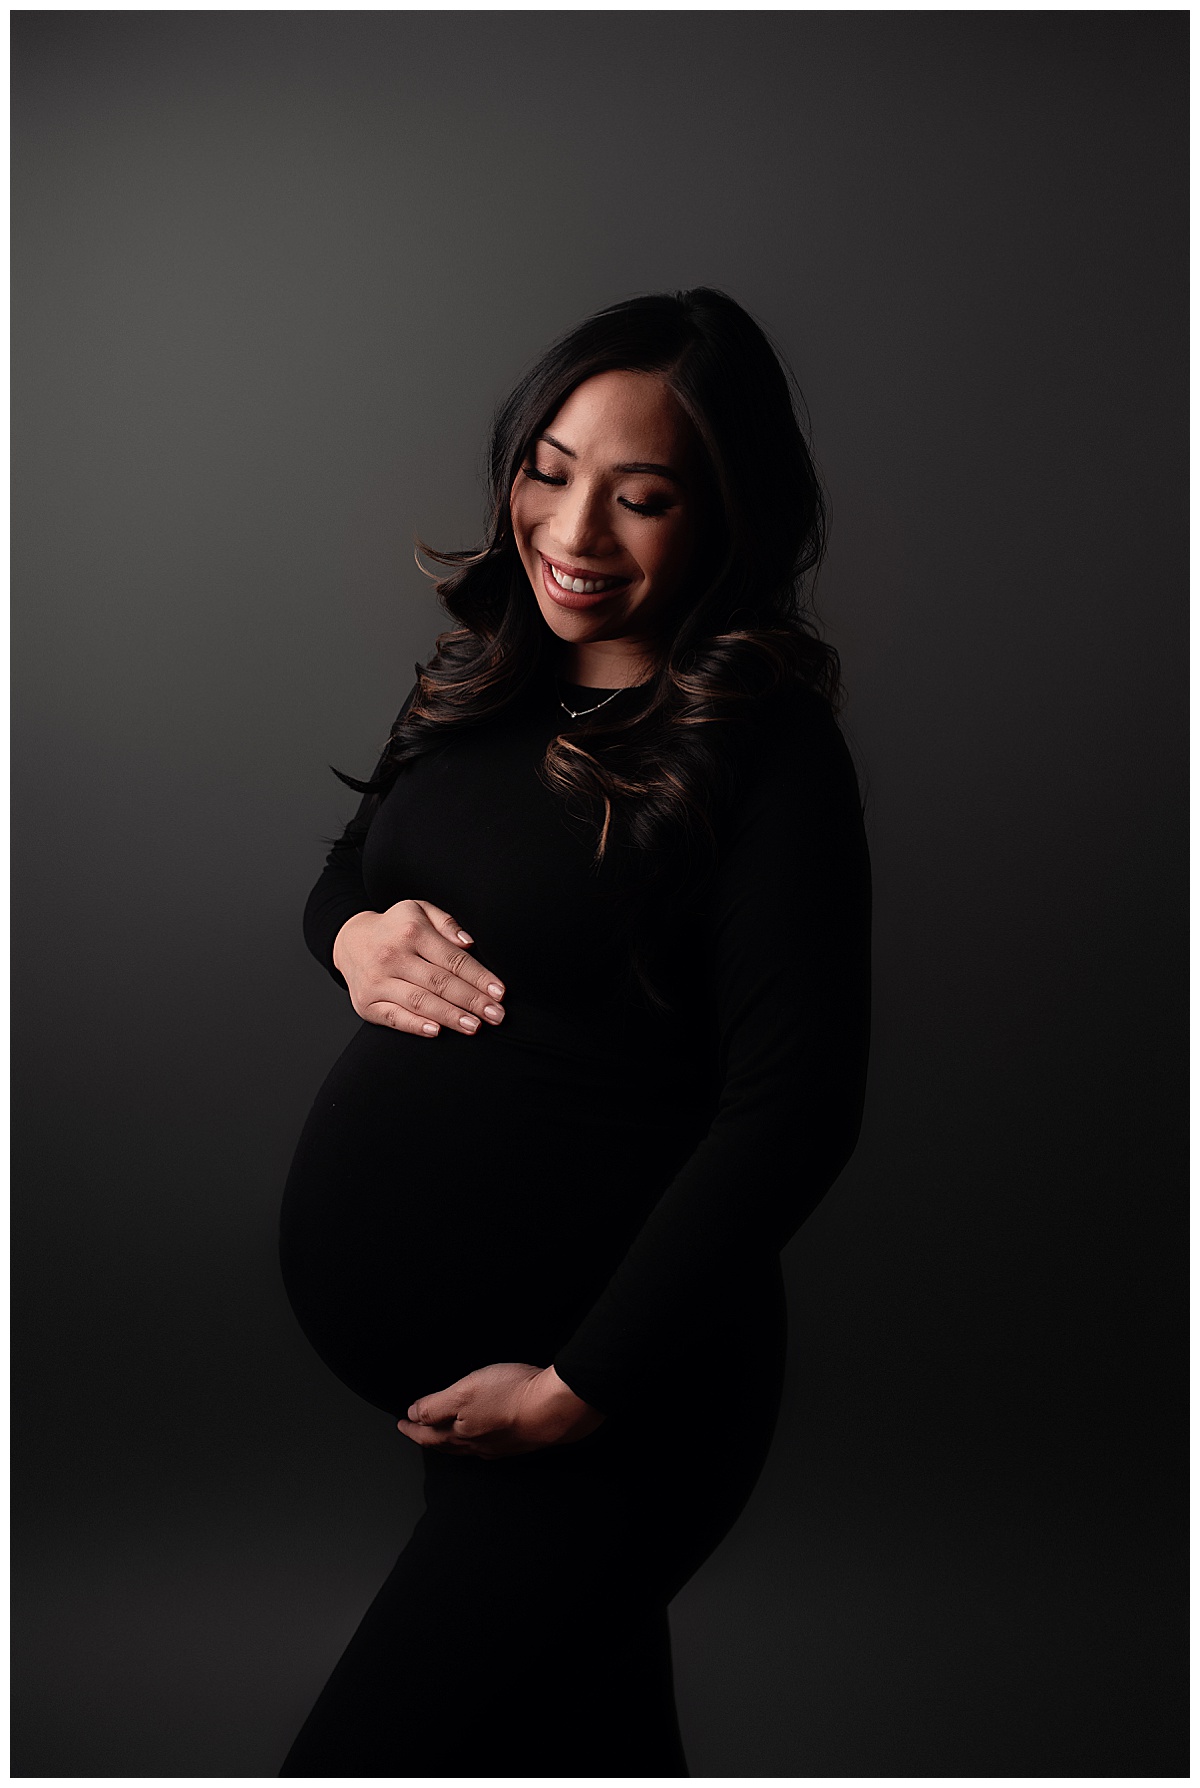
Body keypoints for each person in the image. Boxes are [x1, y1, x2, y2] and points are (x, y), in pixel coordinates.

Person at [277, 286, 872, 1777]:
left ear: (727, 516)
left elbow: (795, 1110)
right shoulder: (490, 673)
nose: (577, 532)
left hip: (615, 1416)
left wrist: (579, 1388)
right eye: (550, 469)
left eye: (644, 496)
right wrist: (353, 938)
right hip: (483, 1411)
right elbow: (351, 875)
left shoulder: (768, 755)